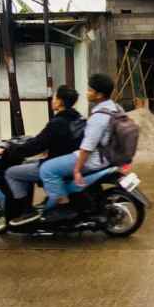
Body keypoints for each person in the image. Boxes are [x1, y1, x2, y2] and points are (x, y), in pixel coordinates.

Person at [37, 73, 119, 217]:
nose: (86, 92)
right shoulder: (114, 107)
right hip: (109, 154)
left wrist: (77, 170)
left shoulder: (99, 116)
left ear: (99, 95)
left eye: (90, 90)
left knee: (47, 169)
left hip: (95, 159)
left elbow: (87, 147)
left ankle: (60, 207)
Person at [3, 85, 84, 226]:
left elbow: (36, 145)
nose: (52, 100)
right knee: (26, 166)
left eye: (54, 97)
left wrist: (10, 149)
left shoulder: (57, 123)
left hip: (56, 163)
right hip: (71, 160)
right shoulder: (78, 118)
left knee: (11, 173)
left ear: (60, 102)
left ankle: (27, 211)